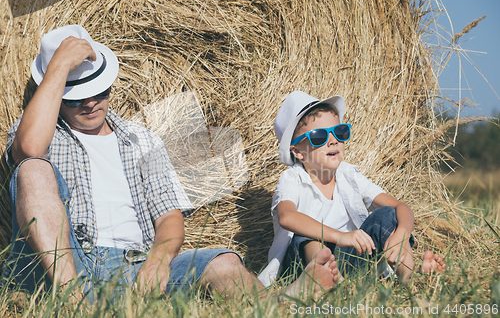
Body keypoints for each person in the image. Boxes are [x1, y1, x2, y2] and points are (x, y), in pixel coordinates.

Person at [1, 25, 339, 301]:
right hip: (59, 265)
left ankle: (278, 305)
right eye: (76, 96)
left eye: (99, 91)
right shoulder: (40, 132)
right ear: (57, 92)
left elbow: (169, 216)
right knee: (32, 167)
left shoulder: (142, 139)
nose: (90, 103)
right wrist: (58, 67)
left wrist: (159, 259)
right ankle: (71, 301)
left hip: (135, 266)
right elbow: (29, 149)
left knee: (223, 262)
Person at [258, 91, 445, 287]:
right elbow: (287, 217)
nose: (332, 140)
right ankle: (320, 280)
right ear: (297, 151)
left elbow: (401, 207)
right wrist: (341, 236)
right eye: (319, 136)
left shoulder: (349, 175)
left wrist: (402, 233)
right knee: (307, 233)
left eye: (339, 132)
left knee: (387, 215)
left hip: (349, 259)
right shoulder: (292, 178)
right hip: (301, 265)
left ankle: (411, 279)